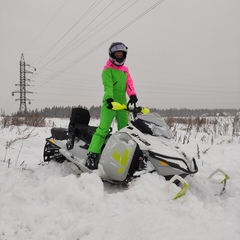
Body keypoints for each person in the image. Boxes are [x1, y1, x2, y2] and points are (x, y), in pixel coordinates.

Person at [85, 42, 138, 170]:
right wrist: (109, 99)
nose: (119, 57)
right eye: (117, 54)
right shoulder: (107, 70)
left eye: (121, 54)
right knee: (103, 129)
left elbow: (129, 84)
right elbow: (108, 86)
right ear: (112, 55)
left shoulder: (125, 71)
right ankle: (92, 154)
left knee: (124, 131)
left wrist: (132, 95)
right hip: (110, 104)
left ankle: (122, 156)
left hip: (122, 105)